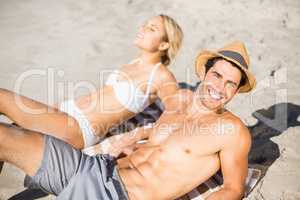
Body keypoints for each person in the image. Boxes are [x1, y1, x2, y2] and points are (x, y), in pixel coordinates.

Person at [0, 41, 256, 200]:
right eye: (217, 75)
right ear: (205, 73)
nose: (220, 87)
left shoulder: (232, 131)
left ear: (236, 91)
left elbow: (233, 189)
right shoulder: (179, 100)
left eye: (230, 83)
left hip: (116, 195)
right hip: (93, 167)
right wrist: (126, 140)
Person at [0, 14, 183, 150]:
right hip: (65, 112)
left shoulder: (160, 75)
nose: (142, 29)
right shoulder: (133, 63)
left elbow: (177, 114)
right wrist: (57, 108)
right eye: (145, 25)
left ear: (164, 45)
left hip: (78, 127)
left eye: (151, 29)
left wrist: (140, 135)